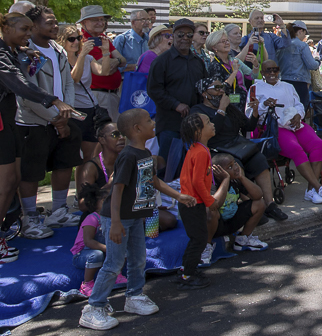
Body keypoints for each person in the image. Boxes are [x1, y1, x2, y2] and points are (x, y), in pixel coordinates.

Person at [78, 108, 194, 330]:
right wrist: (115, 222)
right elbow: (117, 189)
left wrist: (178, 196)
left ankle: (134, 295)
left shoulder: (145, 154)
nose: (153, 123)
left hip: (135, 217)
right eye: (149, 120)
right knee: (114, 263)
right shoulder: (128, 156)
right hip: (118, 218)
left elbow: (154, 181)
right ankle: (93, 307)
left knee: (138, 258)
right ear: (137, 128)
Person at [0, 13, 79, 262]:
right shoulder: (2, 54)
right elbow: (19, 84)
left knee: (12, 181)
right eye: (24, 29)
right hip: (10, 124)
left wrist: (24, 53)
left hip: (9, 124)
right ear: (6, 28)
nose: (28, 34)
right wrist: (52, 101)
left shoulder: (16, 52)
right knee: (7, 184)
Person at [16, 5, 84, 237]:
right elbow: (27, 93)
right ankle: (30, 219)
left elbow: (68, 83)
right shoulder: (25, 53)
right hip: (34, 122)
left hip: (63, 118)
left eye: (55, 22)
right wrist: (54, 118)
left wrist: (66, 113)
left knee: (64, 163)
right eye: (49, 23)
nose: (55, 26)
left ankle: (58, 211)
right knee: (32, 171)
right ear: (33, 26)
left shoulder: (58, 50)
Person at [195, 77, 286, 222]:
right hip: (217, 149)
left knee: (260, 160)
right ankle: (250, 206)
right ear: (204, 93)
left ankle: (270, 204)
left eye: (221, 87)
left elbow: (248, 127)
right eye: (216, 88)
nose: (221, 91)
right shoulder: (198, 111)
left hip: (237, 145)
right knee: (235, 165)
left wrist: (255, 112)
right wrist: (221, 109)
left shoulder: (230, 108)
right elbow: (211, 132)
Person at [249, 60, 322, 205]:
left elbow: (299, 105)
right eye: (268, 70)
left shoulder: (288, 86)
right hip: (275, 127)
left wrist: (298, 115)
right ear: (262, 72)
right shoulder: (255, 88)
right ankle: (319, 188)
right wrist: (263, 106)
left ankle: (311, 190)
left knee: (318, 144)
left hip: (294, 123)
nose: (272, 73)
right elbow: (249, 114)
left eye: (275, 69)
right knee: (295, 148)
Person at [147, 18, 207, 166]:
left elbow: (203, 87)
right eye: (180, 34)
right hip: (170, 124)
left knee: (190, 166)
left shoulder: (198, 62)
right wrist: (175, 104)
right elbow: (154, 90)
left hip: (193, 124)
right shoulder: (161, 61)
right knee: (168, 167)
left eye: (189, 34)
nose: (185, 38)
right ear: (173, 36)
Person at [177, 112, 220, 288]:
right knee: (199, 239)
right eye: (208, 122)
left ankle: (186, 269)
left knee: (197, 238)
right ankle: (188, 275)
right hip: (193, 203)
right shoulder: (201, 152)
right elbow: (197, 181)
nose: (212, 124)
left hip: (191, 202)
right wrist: (210, 201)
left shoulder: (199, 149)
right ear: (198, 131)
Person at [211, 153, 268, 251]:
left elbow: (258, 195)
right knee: (211, 212)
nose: (235, 168)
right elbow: (216, 204)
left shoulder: (235, 180)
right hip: (216, 226)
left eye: (235, 163)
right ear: (218, 171)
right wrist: (226, 179)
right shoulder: (212, 184)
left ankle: (243, 240)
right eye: (230, 167)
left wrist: (242, 177)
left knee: (259, 203)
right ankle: (207, 246)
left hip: (232, 221)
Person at [60, 23, 100, 161]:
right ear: (62, 41)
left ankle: (86, 176)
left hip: (90, 108)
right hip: (74, 111)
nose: (76, 42)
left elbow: (103, 71)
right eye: (71, 39)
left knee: (90, 155)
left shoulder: (87, 58)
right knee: (74, 156)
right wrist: (82, 55)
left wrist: (106, 52)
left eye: (78, 38)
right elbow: (74, 79)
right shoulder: (60, 60)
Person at [72, 183, 120, 297]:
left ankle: (117, 275)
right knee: (96, 255)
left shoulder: (111, 218)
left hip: (104, 249)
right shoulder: (92, 218)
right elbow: (88, 241)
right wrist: (107, 248)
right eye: (105, 200)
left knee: (122, 248)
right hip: (83, 254)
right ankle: (87, 284)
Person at [78, 5, 126, 118]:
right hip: (99, 95)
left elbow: (123, 60)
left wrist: (115, 61)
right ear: (84, 23)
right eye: (95, 20)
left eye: (102, 19)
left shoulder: (102, 38)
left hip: (112, 94)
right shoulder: (83, 42)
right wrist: (116, 61)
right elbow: (106, 70)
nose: (100, 23)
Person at [277, 20, 320, 105]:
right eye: (305, 33)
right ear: (300, 31)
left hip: (283, 81)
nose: (304, 36)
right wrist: (317, 61)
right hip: (299, 83)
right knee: (299, 108)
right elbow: (312, 65)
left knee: (286, 108)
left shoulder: (281, 44)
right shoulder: (302, 45)